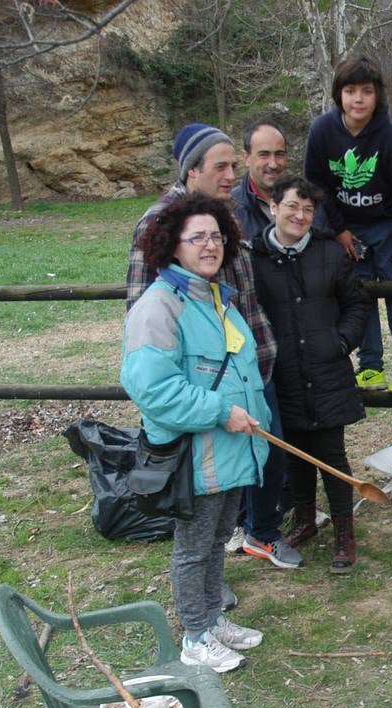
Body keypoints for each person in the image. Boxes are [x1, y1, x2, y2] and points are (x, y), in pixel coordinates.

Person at [128, 122, 297, 570]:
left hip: (251, 368)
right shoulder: (161, 222)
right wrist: (190, 393)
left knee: (259, 458)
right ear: (191, 170)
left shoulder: (228, 212)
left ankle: (255, 534)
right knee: (207, 502)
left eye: (231, 165)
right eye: (220, 166)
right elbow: (143, 312)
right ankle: (206, 605)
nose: (230, 174)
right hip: (206, 386)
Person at [121, 193, 269, 673]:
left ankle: (212, 617)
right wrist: (220, 412)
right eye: (198, 237)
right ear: (173, 246)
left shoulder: (215, 297)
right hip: (198, 453)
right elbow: (152, 388)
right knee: (194, 546)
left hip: (232, 449)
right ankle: (195, 636)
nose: (211, 245)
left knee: (218, 537)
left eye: (217, 236)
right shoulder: (160, 306)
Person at [248, 176, 370, 572]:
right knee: (293, 452)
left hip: (326, 370)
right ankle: (304, 519)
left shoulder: (329, 253)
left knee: (331, 454)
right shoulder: (253, 258)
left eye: (307, 209)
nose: (299, 216)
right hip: (280, 372)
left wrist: (340, 342)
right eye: (291, 207)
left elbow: (357, 304)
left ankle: (343, 532)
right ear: (272, 207)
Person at [305, 56, 392, 394]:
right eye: (351, 90)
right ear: (338, 94)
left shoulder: (389, 135)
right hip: (346, 227)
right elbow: (317, 186)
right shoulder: (322, 130)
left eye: (367, 91)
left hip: (388, 227)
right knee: (360, 294)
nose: (359, 99)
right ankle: (370, 366)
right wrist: (338, 230)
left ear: (378, 96)